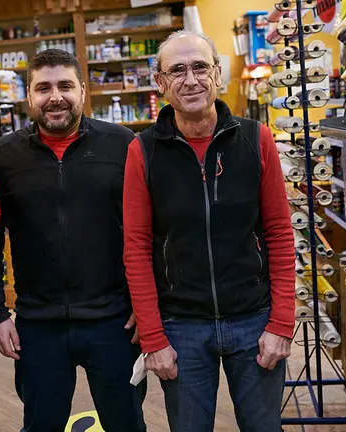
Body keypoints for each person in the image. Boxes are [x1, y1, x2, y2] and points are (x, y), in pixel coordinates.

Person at [123, 31, 295, 431]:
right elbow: (136, 247)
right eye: (177, 70)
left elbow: (280, 233)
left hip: (254, 320)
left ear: (218, 74)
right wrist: (153, 338)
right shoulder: (143, 150)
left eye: (200, 67)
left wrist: (282, 322)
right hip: (181, 327)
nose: (191, 79)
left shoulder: (256, 139)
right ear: (161, 82)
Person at [0, 49, 146, 432]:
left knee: (127, 423)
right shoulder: (3, 155)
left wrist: (144, 304)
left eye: (65, 86)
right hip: (38, 323)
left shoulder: (123, 144)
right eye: (43, 88)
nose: (55, 97)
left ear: (82, 91)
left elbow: (146, 230)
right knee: (40, 424)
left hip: (114, 322)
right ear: (28, 96)